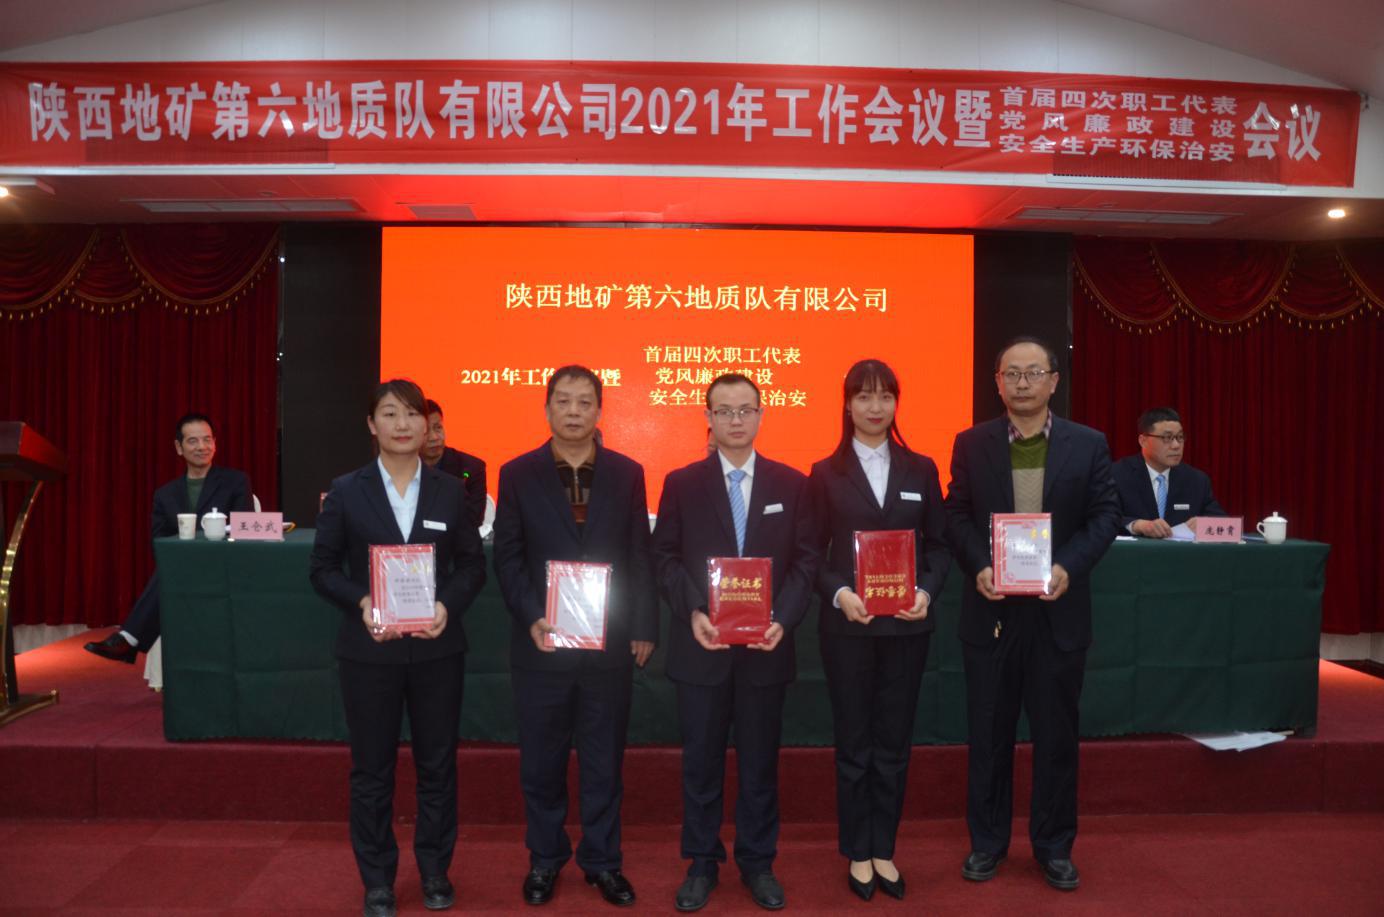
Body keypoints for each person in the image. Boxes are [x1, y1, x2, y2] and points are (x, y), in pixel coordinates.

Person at [944, 337, 1119, 893]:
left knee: (1056, 737)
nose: (1022, 383)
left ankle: (1053, 847)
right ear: (997, 382)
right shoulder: (972, 443)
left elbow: (1105, 515)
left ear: (1053, 381)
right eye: (1012, 374)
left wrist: (1068, 565)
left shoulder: (1088, 444)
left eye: (1033, 373)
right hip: (992, 612)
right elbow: (956, 514)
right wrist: (978, 565)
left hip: (1056, 611)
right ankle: (987, 843)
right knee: (988, 734)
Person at [308, 379, 487, 917]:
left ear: (427, 424)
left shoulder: (450, 490)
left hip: (437, 649)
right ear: (372, 424)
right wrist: (362, 601)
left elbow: (472, 565)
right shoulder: (346, 490)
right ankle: (378, 880)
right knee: (372, 771)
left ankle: (434, 871)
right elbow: (322, 569)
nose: (403, 425)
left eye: (412, 414)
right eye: (390, 414)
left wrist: (447, 606)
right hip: (370, 652)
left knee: (438, 767)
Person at [652, 373, 820, 912]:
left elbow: (806, 562)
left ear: (762, 414)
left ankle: (757, 862)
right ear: (708, 418)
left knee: (759, 766)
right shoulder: (682, 483)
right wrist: (695, 611)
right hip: (701, 648)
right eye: (723, 411)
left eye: (745, 409)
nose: (735, 420)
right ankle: (701, 863)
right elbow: (664, 558)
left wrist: (784, 619)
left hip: (766, 650)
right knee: (700, 766)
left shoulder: (792, 484)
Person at [491, 365, 658, 908]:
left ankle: (603, 861)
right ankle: (545, 858)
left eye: (585, 402)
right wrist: (531, 616)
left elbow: (639, 553)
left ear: (600, 411)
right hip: (542, 644)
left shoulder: (627, 473)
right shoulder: (518, 473)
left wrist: (644, 625)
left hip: (610, 644)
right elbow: (508, 557)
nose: (573, 411)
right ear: (546, 409)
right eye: (563, 401)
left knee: (604, 761)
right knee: (542, 762)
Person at [806, 359, 950, 902]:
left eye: (885, 397)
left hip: (907, 630)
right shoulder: (825, 472)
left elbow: (939, 547)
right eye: (864, 397)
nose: (875, 407)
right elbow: (810, 553)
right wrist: (840, 593)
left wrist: (926, 593)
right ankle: (857, 851)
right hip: (848, 630)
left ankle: (884, 847)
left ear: (896, 403)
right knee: (854, 744)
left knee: (893, 743)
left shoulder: (921, 468)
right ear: (847, 405)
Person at [84, 413, 252, 664]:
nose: (202, 447)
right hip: (182, 570)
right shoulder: (165, 495)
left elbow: (244, 529)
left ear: (215, 443)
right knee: (173, 567)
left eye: (207, 440)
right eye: (193, 441)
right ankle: (129, 639)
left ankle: (129, 638)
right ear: (178, 447)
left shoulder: (235, 481)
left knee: (175, 568)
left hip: (222, 564)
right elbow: (159, 544)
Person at [1113, 407, 1226, 537]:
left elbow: (1225, 525)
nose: (1176, 445)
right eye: (1167, 438)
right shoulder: (1117, 475)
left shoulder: (1196, 480)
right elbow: (1101, 518)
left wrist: (1206, 524)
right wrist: (1136, 525)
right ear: (1143, 441)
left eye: (1180, 437)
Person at [422, 399, 488, 528]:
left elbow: (473, 519)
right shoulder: (402, 468)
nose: (434, 437)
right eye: (426, 431)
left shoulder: (473, 468)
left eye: (438, 428)